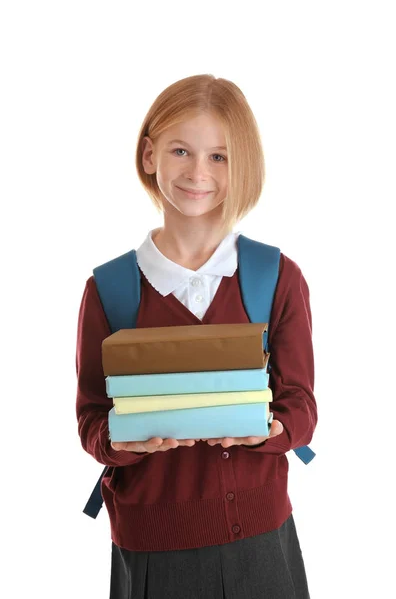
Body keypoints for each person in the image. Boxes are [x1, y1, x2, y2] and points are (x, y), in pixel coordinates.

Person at [76, 74, 317, 599]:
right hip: (152, 550)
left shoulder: (276, 277)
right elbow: (92, 420)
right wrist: (122, 441)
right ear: (148, 156)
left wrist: (269, 431)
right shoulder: (110, 289)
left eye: (220, 157)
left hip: (261, 543)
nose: (197, 172)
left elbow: (301, 406)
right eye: (181, 150)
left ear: (243, 165)